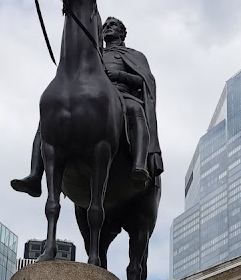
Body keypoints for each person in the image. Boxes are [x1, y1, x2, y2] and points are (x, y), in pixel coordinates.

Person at [11, 16, 162, 196]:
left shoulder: (134, 55)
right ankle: (35, 175)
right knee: (48, 118)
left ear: (122, 33)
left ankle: (139, 164)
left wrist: (120, 76)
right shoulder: (93, 52)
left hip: (122, 95)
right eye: (105, 26)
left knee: (136, 110)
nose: (107, 28)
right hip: (91, 96)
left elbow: (144, 81)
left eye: (113, 25)